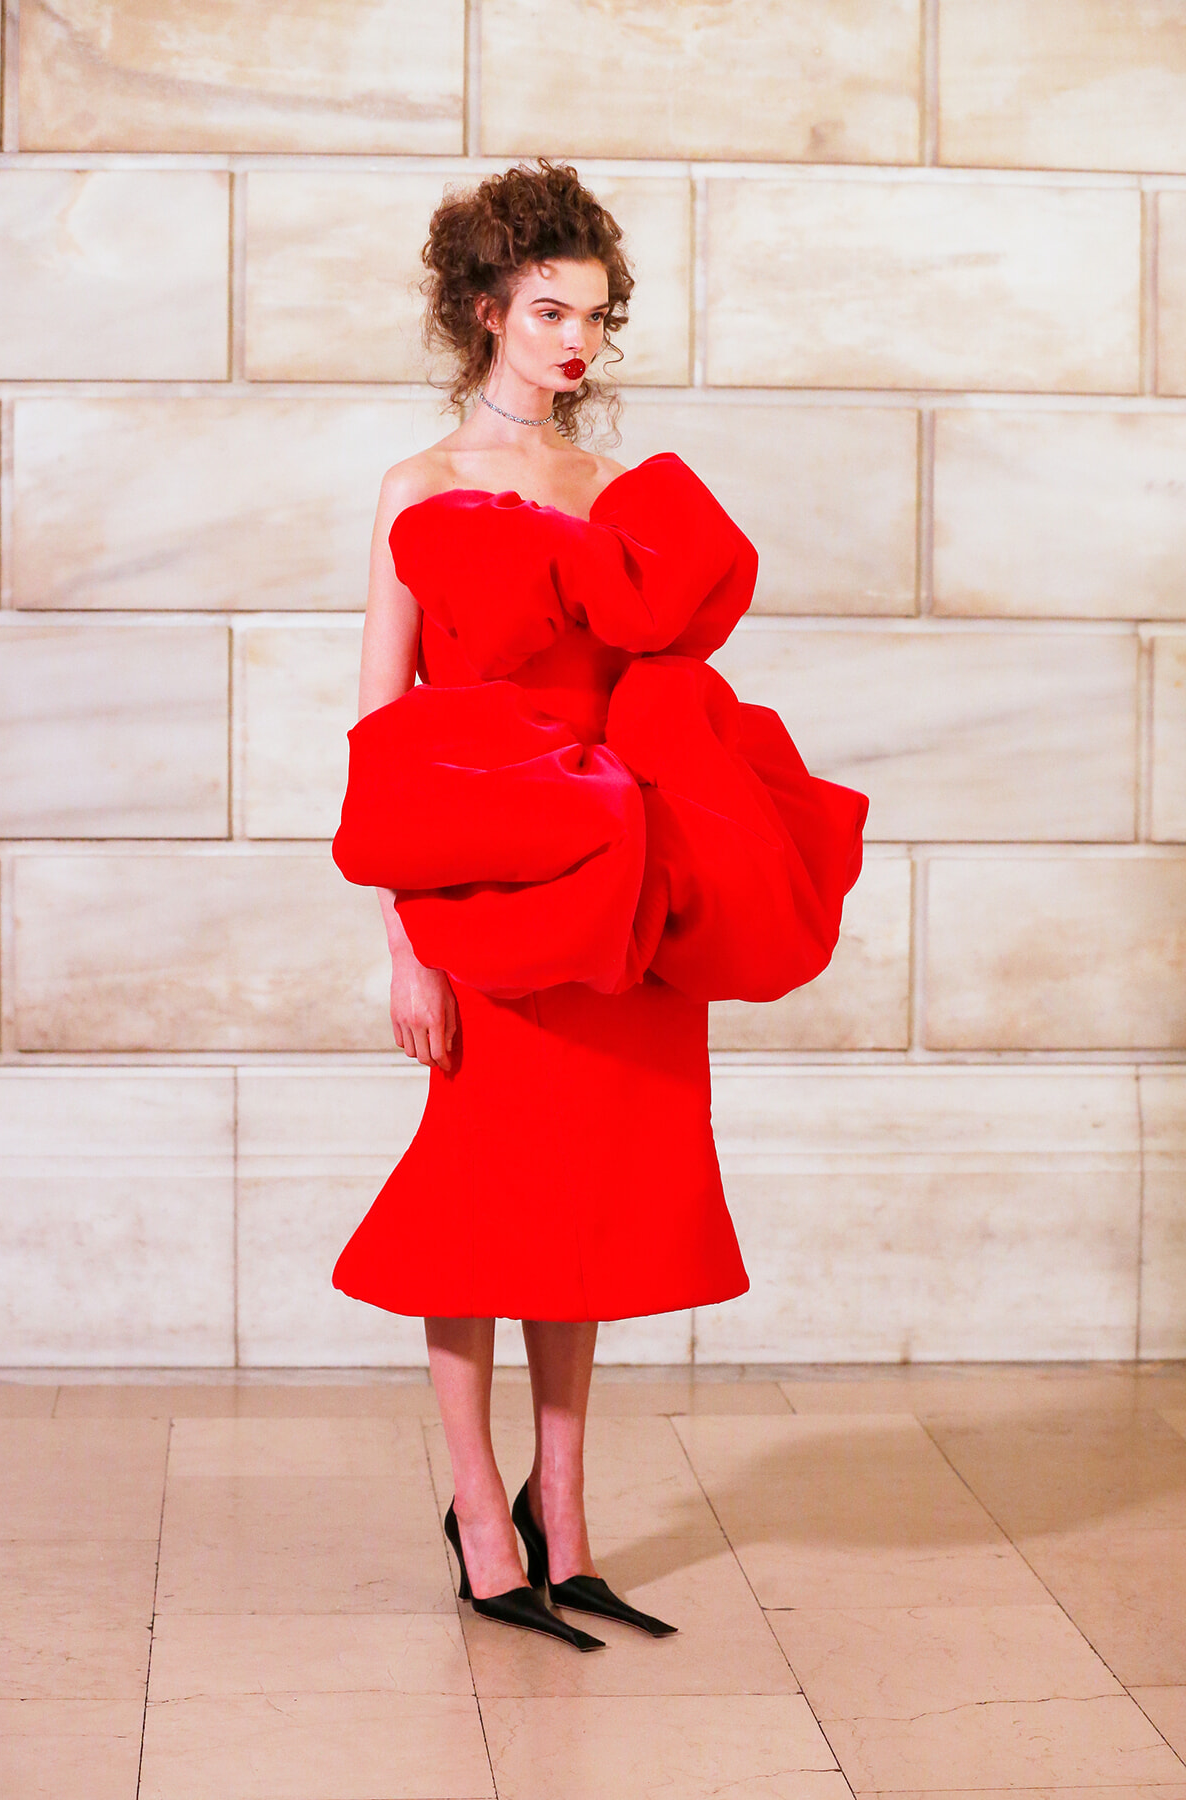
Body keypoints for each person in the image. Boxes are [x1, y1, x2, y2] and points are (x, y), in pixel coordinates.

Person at [331, 160, 868, 1650]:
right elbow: (381, 737)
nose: (578, 340)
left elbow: (656, 691)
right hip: (483, 899)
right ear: (486, 313)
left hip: (614, 895)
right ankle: (473, 1509)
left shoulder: (617, 494)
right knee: (474, 1212)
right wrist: (405, 944)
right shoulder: (416, 492)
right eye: (551, 310)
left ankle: (562, 1516)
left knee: (585, 1208)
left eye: (596, 315)